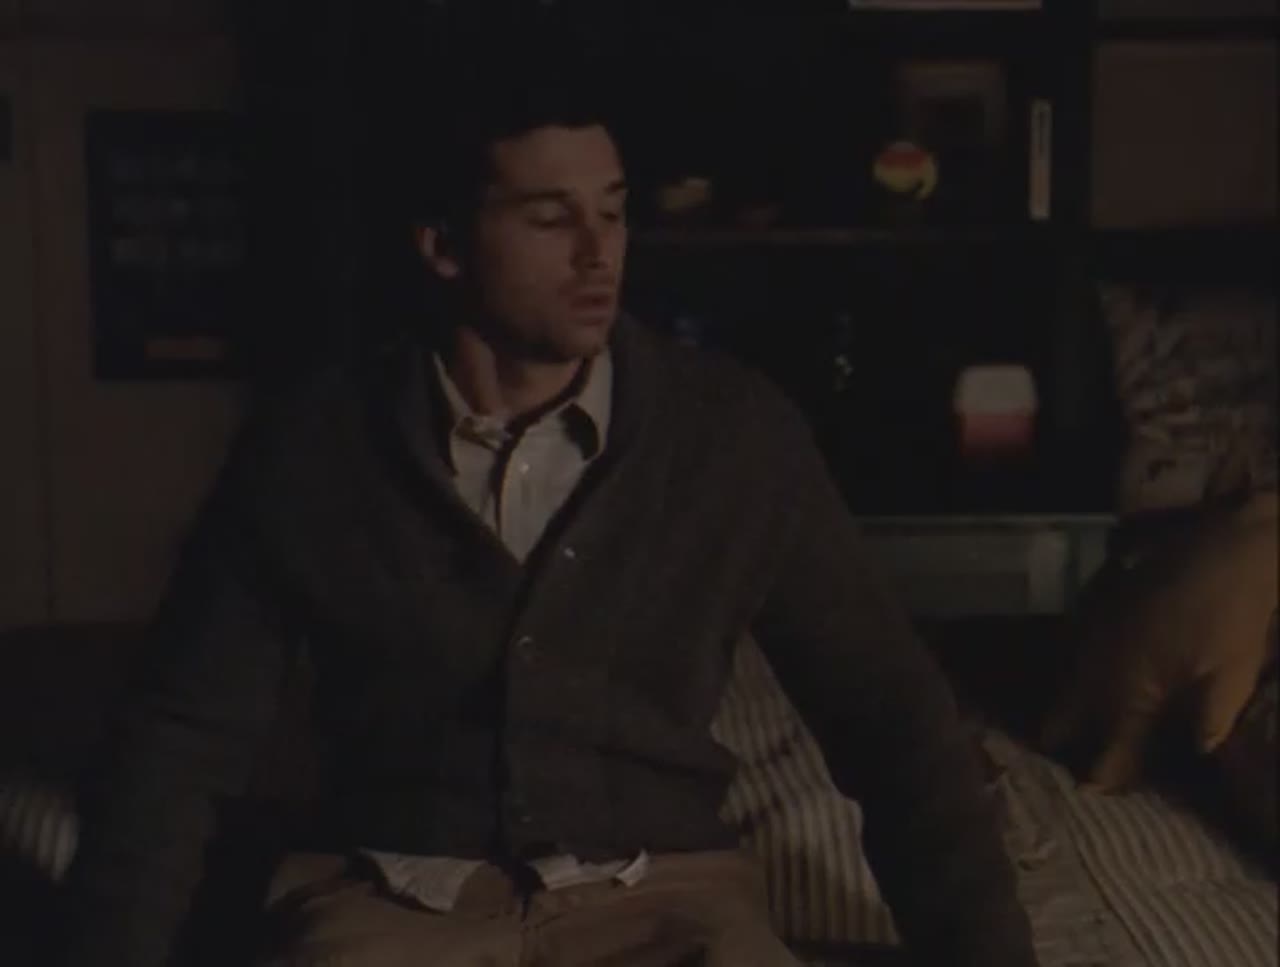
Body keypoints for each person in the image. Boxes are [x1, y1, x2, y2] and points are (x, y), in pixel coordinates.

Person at [58, 34, 1038, 967]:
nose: (598, 253)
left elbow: (894, 724)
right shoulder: (314, 448)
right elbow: (179, 745)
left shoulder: (734, 437)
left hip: (664, 896)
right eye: (549, 218)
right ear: (443, 244)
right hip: (394, 898)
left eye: (612, 211)